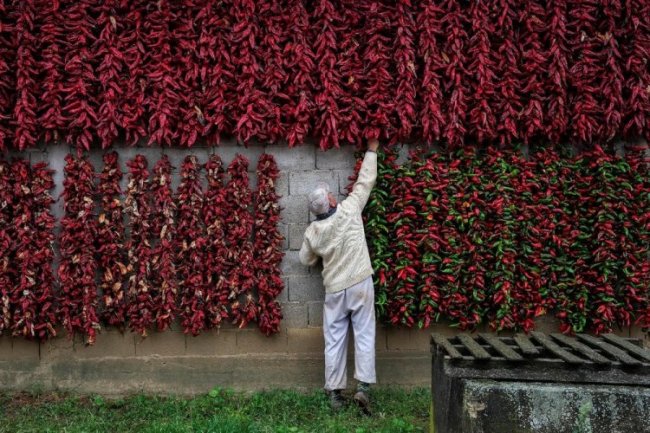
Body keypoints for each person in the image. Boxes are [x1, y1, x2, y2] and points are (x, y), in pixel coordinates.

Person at [299, 138, 379, 413]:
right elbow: (365, 182)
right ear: (331, 200)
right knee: (365, 334)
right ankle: (363, 389)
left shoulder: (313, 232)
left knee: (334, 340)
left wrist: (319, 249)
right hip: (360, 282)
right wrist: (371, 151)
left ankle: (335, 394)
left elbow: (305, 259)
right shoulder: (349, 209)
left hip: (334, 289)